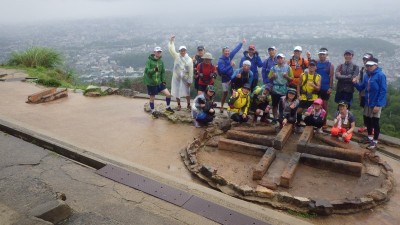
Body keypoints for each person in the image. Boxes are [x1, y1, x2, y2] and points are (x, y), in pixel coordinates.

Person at [353, 58, 387, 150]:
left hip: (376, 103)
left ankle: (375, 140)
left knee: (375, 121)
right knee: (367, 120)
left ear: (376, 65)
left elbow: (383, 91)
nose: (368, 67)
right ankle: (369, 137)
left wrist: (378, 104)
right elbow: (361, 88)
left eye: (370, 66)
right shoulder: (366, 76)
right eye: (367, 66)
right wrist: (355, 83)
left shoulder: (380, 75)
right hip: (367, 102)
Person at [143, 46, 174, 118]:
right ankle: (153, 112)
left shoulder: (161, 61)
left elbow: (163, 72)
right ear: (154, 52)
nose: (159, 53)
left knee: (168, 94)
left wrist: (163, 80)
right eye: (157, 52)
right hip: (151, 83)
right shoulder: (149, 61)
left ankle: (168, 107)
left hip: (159, 82)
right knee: (152, 98)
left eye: (160, 52)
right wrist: (154, 69)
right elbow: (147, 71)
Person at [217, 39, 246, 113]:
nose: (227, 52)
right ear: (223, 52)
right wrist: (230, 65)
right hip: (225, 79)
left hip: (231, 78)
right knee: (225, 93)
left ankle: (232, 107)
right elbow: (223, 70)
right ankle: (222, 106)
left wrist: (241, 43)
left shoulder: (229, 56)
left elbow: (235, 50)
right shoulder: (221, 60)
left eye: (228, 51)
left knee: (233, 92)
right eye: (225, 51)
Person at [168, 35, 194, 111]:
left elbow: (191, 71)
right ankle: (179, 105)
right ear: (179, 51)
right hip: (176, 78)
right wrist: (171, 41)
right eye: (181, 50)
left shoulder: (189, 60)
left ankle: (188, 105)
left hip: (185, 78)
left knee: (187, 92)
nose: (182, 52)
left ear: (185, 51)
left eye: (184, 50)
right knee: (176, 91)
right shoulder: (176, 56)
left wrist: (190, 80)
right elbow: (171, 50)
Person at [268, 53, 294, 123]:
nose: (280, 59)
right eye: (278, 58)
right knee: (274, 104)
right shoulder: (273, 68)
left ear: (284, 59)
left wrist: (286, 76)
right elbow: (269, 78)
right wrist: (273, 76)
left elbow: (292, 79)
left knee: (283, 105)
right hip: (275, 88)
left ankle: (282, 118)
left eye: (281, 58)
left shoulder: (288, 68)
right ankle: (274, 118)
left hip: (284, 89)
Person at [296, 59, 321, 126]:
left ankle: (309, 124)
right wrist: (298, 95)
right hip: (304, 96)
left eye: (313, 66)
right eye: (310, 65)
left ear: (316, 67)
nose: (311, 67)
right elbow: (298, 85)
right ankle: (299, 122)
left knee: (311, 112)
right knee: (299, 110)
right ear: (308, 66)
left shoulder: (318, 76)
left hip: (313, 97)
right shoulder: (303, 75)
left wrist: (313, 86)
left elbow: (318, 88)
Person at [314, 48, 334, 130]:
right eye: (320, 54)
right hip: (317, 87)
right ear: (319, 55)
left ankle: (324, 121)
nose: (322, 56)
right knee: (316, 104)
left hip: (325, 87)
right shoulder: (316, 63)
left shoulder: (330, 65)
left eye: (323, 54)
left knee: (325, 105)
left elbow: (331, 77)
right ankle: (315, 120)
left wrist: (331, 87)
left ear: (326, 55)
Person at [357, 53, 374, 133]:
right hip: (363, 92)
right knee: (364, 109)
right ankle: (365, 125)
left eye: (367, 59)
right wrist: (359, 93)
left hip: (370, 94)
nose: (365, 61)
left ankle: (372, 127)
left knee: (371, 111)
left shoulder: (372, 70)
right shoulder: (363, 69)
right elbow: (360, 81)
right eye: (364, 59)